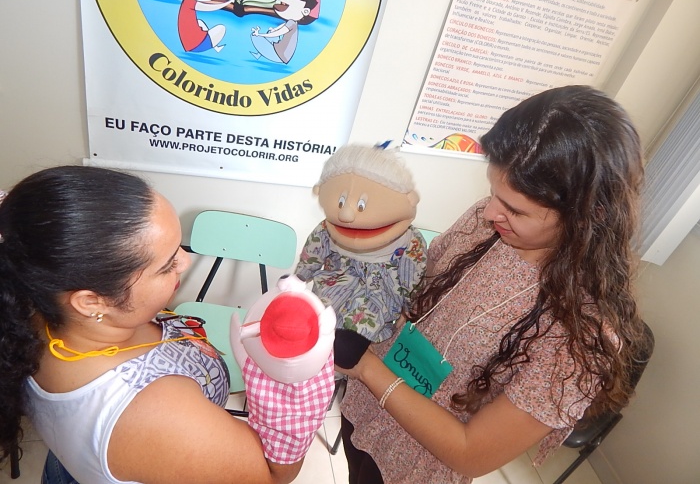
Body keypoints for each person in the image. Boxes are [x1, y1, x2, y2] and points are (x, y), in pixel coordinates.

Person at [335, 85, 649, 483]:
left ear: (588, 216)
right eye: (492, 193)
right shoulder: (486, 224)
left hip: (417, 462)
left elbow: (470, 453)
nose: (489, 213)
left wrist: (365, 367)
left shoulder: (580, 338)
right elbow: (422, 295)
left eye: (515, 210)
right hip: (367, 411)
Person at [0, 166, 310, 484]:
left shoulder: (33, 305)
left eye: (179, 247)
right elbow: (270, 476)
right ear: (92, 302)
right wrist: (295, 383)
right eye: (166, 265)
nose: (186, 261)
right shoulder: (155, 412)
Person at [294, 144, 427, 343]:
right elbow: (313, 253)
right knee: (315, 325)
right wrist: (299, 278)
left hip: (378, 298)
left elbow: (413, 276)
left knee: (357, 336)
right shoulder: (327, 228)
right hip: (331, 289)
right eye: (341, 203)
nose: (346, 214)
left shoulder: (409, 240)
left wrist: (409, 309)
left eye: (361, 205)